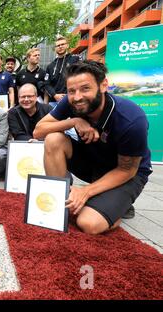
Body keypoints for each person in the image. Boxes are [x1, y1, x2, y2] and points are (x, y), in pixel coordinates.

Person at [34, 60, 152, 234]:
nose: (77, 96)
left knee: (89, 223)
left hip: (127, 173)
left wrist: (86, 191)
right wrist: (73, 121)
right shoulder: (72, 101)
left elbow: (127, 170)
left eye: (85, 88)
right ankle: (58, 200)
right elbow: (38, 131)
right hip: (94, 161)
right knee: (53, 139)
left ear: (103, 85)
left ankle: (118, 206)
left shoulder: (132, 120)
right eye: (71, 91)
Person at [44, 36, 81, 105]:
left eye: (62, 44)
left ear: (67, 45)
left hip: (72, 99)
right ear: (55, 48)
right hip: (54, 101)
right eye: (58, 45)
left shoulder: (76, 59)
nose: (60, 47)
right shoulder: (50, 66)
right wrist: (54, 95)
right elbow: (46, 84)